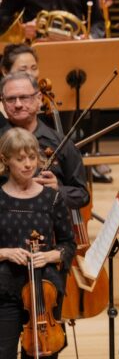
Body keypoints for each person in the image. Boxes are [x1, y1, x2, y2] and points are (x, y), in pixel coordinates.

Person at [0, 127, 75, 359]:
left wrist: (51, 255)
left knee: (43, 354)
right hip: (6, 290)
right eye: (20, 159)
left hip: (45, 291)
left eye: (32, 157)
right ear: (5, 160)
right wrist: (5, 252)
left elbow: (68, 244)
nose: (28, 164)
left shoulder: (52, 198)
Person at [0, 72, 89, 211]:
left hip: (50, 228)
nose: (17, 104)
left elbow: (82, 194)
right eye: (11, 99)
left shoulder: (61, 143)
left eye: (24, 97)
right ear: (3, 104)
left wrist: (58, 191)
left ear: (39, 99)